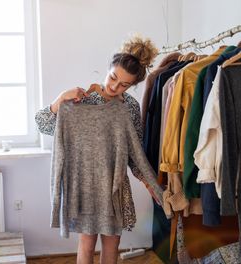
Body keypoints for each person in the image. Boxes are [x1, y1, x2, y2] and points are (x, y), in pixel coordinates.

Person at [35, 35, 162, 264]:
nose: (115, 86)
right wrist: (60, 99)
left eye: (124, 84)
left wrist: (149, 183)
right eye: (113, 77)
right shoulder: (81, 100)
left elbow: (134, 153)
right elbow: (42, 123)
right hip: (86, 185)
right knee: (86, 244)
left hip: (115, 185)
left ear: (132, 85)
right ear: (108, 69)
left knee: (112, 244)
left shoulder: (130, 107)